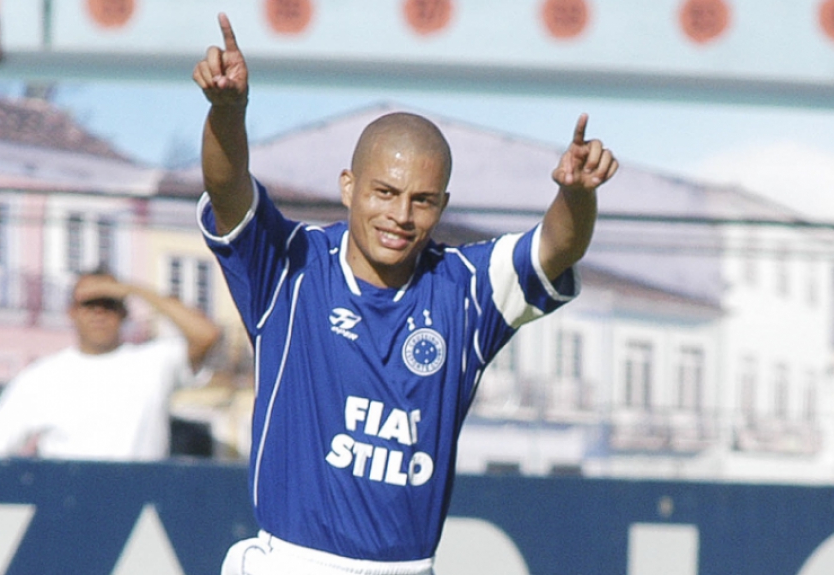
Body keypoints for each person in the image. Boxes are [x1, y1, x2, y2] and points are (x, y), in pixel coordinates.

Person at [193, 12, 618, 575]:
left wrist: (577, 195)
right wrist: (227, 112)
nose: (400, 215)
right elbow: (227, 187)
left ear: (442, 205)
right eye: (384, 192)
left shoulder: (466, 289)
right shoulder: (291, 265)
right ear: (348, 187)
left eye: (421, 199)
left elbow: (556, 248)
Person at [0, 267, 223, 461]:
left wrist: (133, 289)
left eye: (109, 303)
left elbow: (206, 335)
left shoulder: (155, 362)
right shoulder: (41, 377)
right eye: (89, 303)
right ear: (72, 312)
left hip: (141, 502)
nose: (99, 312)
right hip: (68, 509)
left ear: (124, 312)